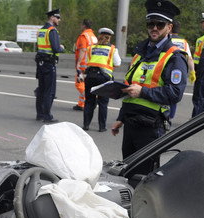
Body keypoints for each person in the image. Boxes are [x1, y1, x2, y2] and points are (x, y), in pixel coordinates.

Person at [111, 0, 188, 176]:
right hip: (131, 125)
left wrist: (143, 92)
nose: (154, 28)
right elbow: (131, 87)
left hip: (151, 128)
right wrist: (121, 118)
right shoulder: (140, 53)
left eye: (159, 24)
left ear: (169, 27)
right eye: (151, 24)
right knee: (127, 175)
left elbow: (174, 94)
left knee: (145, 179)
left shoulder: (174, 57)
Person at [83, 27, 120, 132]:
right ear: (109, 38)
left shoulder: (91, 48)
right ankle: (102, 127)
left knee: (89, 101)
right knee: (103, 103)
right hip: (103, 78)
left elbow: (86, 61)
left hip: (90, 76)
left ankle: (86, 125)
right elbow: (117, 63)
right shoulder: (112, 49)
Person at [35, 9, 65, 123]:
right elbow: (56, 48)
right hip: (49, 64)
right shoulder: (52, 31)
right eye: (58, 18)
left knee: (41, 89)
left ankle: (39, 114)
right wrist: (62, 47)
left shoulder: (41, 30)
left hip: (40, 63)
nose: (59, 20)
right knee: (49, 90)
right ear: (52, 17)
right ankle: (47, 115)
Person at [168, 19, 195, 121]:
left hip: (166, 69)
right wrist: (192, 72)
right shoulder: (184, 42)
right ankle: (170, 116)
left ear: (169, 28)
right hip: (178, 72)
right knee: (174, 93)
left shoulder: (165, 39)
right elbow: (190, 59)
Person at [73, 19, 97, 111]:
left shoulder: (83, 36)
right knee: (86, 83)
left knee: (79, 84)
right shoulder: (93, 36)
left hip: (83, 64)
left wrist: (78, 63)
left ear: (83, 26)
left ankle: (91, 99)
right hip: (91, 63)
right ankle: (81, 104)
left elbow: (82, 50)